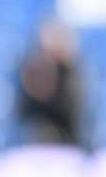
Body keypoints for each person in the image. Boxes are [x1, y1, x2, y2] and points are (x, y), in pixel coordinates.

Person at [16, 18, 84, 146]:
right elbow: (25, 109)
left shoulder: (72, 72)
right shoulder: (35, 66)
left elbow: (72, 109)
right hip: (39, 136)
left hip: (68, 139)